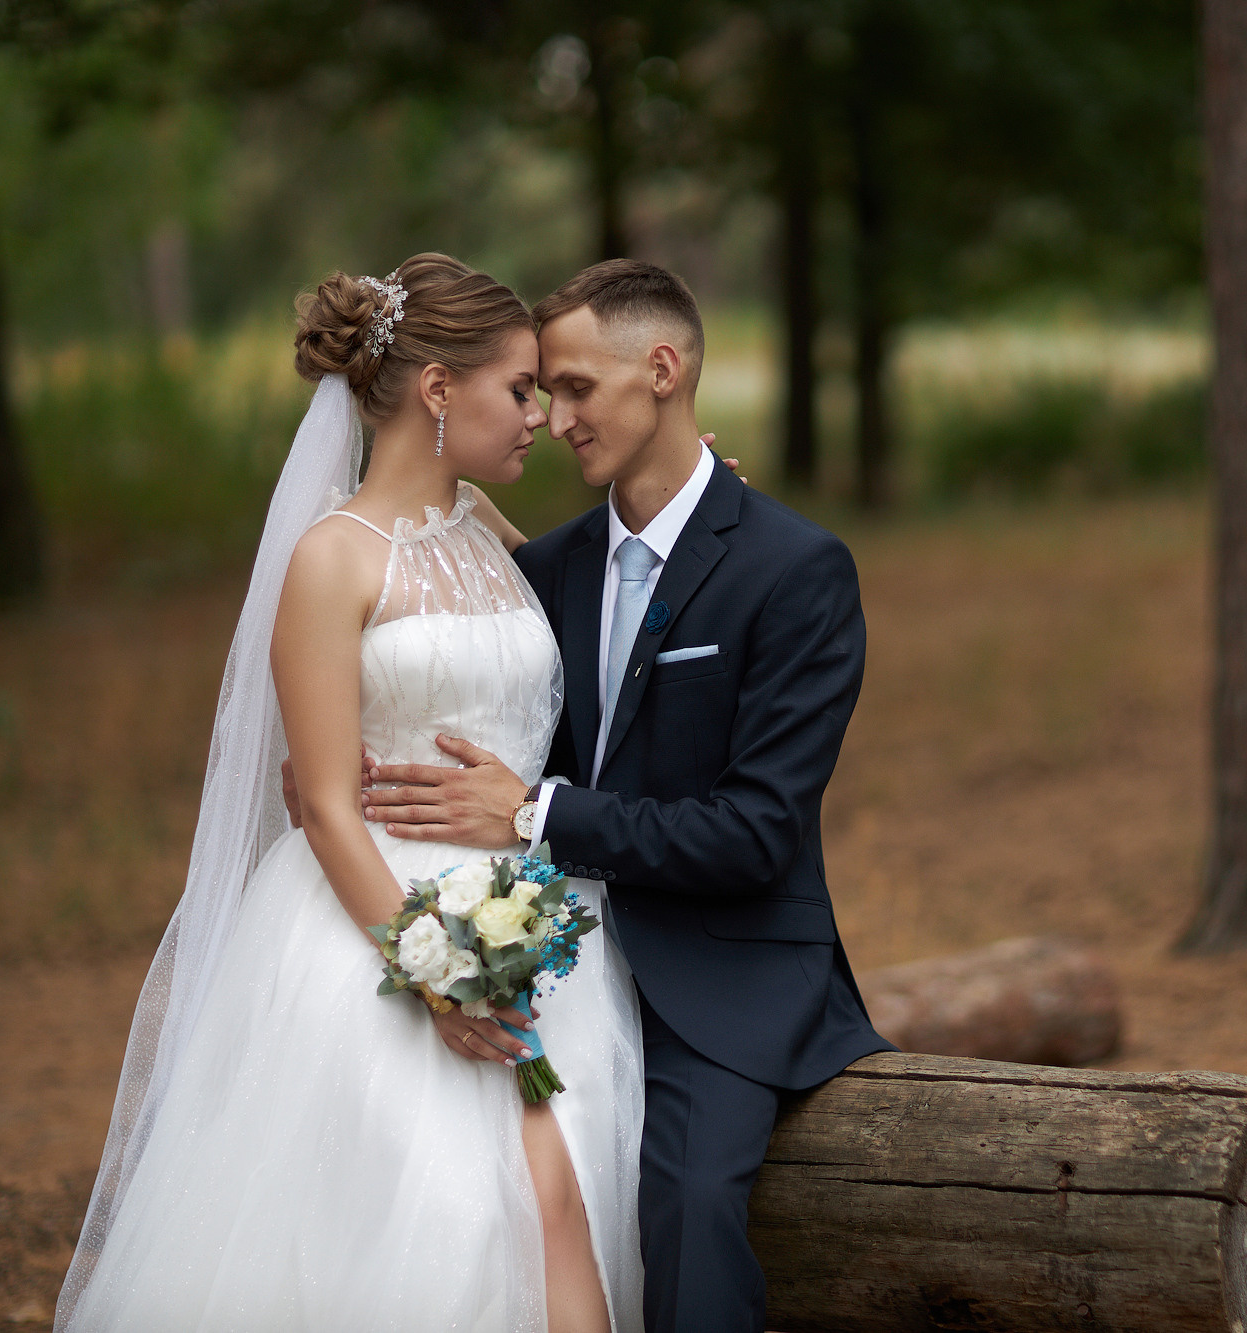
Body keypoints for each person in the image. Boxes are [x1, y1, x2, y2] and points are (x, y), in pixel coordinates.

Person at [57, 253, 646, 1332]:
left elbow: (615, 590)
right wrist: (434, 976)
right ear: (435, 390)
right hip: (381, 931)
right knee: (441, 1220)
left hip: (536, 924)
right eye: (518, 389)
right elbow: (325, 802)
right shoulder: (334, 558)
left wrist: (703, 508)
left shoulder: (489, 533)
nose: (538, 418)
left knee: (562, 1200)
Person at [358, 259, 891, 1333]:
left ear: (662, 368)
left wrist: (536, 810)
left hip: (719, 973)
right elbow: (399, 566)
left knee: (686, 1205)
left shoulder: (795, 571)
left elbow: (755, 834)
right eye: (540, 393)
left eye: (574, 388)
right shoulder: (542, 571)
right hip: (553, 955)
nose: (553, 419)